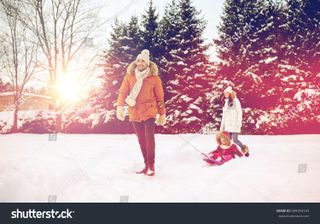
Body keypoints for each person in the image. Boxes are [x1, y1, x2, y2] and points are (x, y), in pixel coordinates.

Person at [116, 49, 166, 176]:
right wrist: (120, 106)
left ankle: (151, 166)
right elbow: (122, 92)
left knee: (149, 138)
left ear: (147, 63)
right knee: (141, 140)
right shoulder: (130, 76)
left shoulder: (154, 78)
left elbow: (160, 97)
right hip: (134, 112)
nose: (140, 63)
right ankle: (146, 165)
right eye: (138, 60)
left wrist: (162, 113)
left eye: (143, 61)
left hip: (149, 111)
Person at [220, 86, 249, 156]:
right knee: (228, 141)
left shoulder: (236, 101)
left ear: (230, 93)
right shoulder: (226, 103)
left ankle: (244, 150)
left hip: (235, 124)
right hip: (227, 125)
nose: (225, 95)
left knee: (235, 140)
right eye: (225, 94)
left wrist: (239, 122)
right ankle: (230, 153)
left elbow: (239, 112)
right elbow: (224, 115)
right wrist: (222, 125)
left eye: (227, 93)